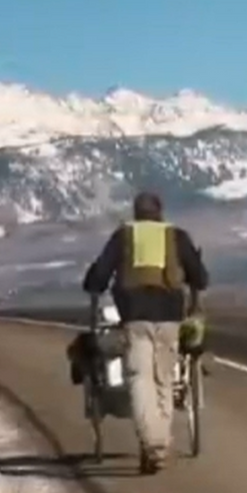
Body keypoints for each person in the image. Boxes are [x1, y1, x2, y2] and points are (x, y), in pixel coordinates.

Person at [82, 191, 208, 474]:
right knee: (164, 379)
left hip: (135, 318)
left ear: (136, 212)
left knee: (139, 380)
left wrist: (93, 282)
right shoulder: (177, 236)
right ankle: (159, 442)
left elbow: (98, 276)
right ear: (160, 212)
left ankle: (153, 444)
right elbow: (200, 277)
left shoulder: (124, 236)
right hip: (170, 319)